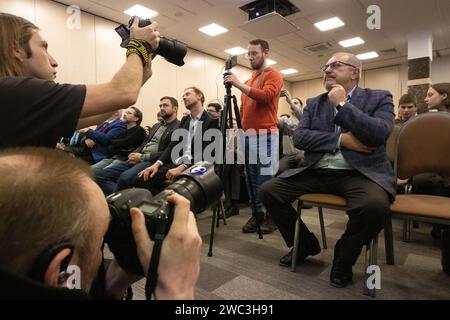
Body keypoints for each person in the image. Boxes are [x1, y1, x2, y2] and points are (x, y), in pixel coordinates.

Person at [260, 52, 395, 288]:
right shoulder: (314, 102)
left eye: (335, 65)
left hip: (359, 173)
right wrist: (341, 140)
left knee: (374, 207)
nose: (327, 70)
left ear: (355, 72)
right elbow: (301, 137)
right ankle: (304, 244)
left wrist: (342, 104)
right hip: (317, 170)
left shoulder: (379, 97)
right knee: (269, 191)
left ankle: (344, 257)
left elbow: (378, 134)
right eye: (326, 66)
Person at [0, 147, 201, 300]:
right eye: (100, 243)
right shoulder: (70, 274)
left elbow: (76, 284)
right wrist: (177, 291)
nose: (103, 253)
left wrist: (118, 278)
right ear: (61, 271)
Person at [0, 13, 160, 149]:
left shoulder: (15, 97)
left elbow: (100, 113)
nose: (54, 61)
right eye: (43, 47)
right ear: (17, 50)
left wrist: (137, 80)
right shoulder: (15, 91)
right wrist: (139, 45)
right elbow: (122, 93)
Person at [224, 39, 283, 234]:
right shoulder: (248, 81)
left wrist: (238, 84)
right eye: (248, 54)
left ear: (265, 53)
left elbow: (266, 97)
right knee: (251, 179)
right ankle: (257, 214)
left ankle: (272, 216)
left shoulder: (273, 75)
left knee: (265, 180)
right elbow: (243, 109)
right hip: (248, 136)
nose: (250, 57)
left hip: (266, 135)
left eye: (254, 53)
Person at [136, 87, 219, 195]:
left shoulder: (212, 121)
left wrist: (182, 168)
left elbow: (208, 154)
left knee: (178, 188)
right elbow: (173, 145)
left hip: (199, 165)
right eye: (183, 96)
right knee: (142, 179)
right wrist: (156, 164)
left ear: (199, 96)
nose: (184, 97)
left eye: (188, 94)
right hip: (179, 161)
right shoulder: (186, 120)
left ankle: (177, 207)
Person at [93, 97, 180, 195]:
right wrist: (134, 153)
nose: (162, 108)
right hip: (138, 157)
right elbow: (145, 142)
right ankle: (120, 199)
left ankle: (117, 203)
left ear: (175, 109)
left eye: (165, 105)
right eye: (160, 106)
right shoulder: (156, 125)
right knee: (99, 175)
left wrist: (142, 157)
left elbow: (169, 151)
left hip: (151, 161)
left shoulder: (179, 127)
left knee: (125, 178)